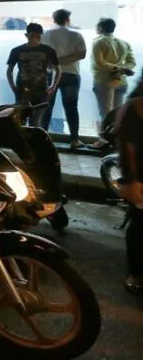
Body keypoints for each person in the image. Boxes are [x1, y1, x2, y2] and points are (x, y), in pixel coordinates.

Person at [42, 9, 86, 148]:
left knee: (46, 107)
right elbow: (82, 54)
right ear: (68, 20)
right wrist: (62, 61)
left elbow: (42, 54)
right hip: (71, 74)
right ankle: (74, 140)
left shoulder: (46, 34)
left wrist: (56, 62)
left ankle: (42, 139)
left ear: (54, 20)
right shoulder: (76, 35)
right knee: (71, 107)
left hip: (51, 74)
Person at [7, 23, 61, 128]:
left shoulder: (48, 50)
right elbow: (9, 71)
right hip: (26, 89)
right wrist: (12, 86)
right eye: (32, 36)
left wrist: (53, 86)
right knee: (27, 120)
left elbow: (58, 69)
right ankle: (29, 138)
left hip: (38, 89)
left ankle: (30, 138)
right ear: (26, 35)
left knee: (33, 120)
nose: (34, 39)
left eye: (37, 36)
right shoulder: (17, 50)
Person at [116, 84, 143, 295]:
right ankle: (136, 273)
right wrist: (132, 181)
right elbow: (128, 146)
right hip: (140, 177)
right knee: (140, 224)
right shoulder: (136, 107)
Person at [91, 17, 136, 122]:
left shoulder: (98, 42)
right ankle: (116, 132)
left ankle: (107, 133)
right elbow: (132, 62)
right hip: (121, 81)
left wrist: (119, 68)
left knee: (106, 113)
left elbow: (100, 63)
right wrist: (124, 70)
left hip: (104, 81)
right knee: (117, 114)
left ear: (100, 28)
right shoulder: (124, 43)